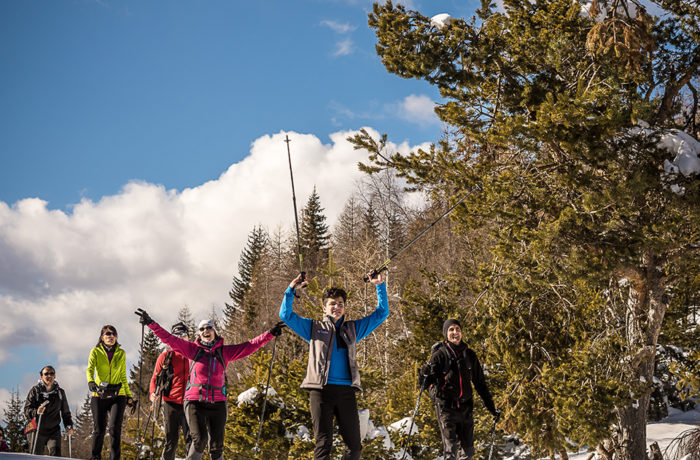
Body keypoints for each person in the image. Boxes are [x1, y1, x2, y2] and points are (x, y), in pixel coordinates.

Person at [134, 308, 285, 460]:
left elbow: (250, 346)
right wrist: (150, 323)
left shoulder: (224, 352)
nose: (206, 331)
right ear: (199, 334)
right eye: (202, 329)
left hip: (218, 403)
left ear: (214, 331)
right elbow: (168, 339)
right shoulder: (192, 350)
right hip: (194, 402)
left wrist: (270, 334)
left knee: (217, 446)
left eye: (209, 328)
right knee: (199, 440)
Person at [279, 271, 388, 460]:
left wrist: (379, 286)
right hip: (321, 392)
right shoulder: (313, 329)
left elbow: (381, 313)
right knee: (323, 444)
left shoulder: (353, 329)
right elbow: (286, 315)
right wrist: (291, 290)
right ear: (324, 308)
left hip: (346, 392)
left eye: (340, 304)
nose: (336, 307)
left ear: (344, 308)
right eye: (332, 304)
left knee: (354, 447)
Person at [420, 318, 499, 460]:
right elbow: (424, 384)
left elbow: (480, 383)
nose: (455, 332)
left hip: (466, 408)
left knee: (468, 452)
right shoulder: (439, 355)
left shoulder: (470, 355)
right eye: (451, 330)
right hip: (446, 409)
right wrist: (423, 374)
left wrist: (491, 408)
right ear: (446, 333)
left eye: (457, 329)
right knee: (451, 451)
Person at [86, 325, 134, 460]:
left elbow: (123, 375)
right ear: (102, 337)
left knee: (114, 429)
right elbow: (90, 369)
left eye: (113, 334)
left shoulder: (121, 353)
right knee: (99, 430)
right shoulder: (95, 352)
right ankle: (95, 457)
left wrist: (129, 395)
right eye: (107, 334)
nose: (111, 336)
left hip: (118, 394)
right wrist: (90, 382)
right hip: (99, 395)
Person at [149, 322, 192, 460]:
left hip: (190, 403)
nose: (180, 337)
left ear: (188, 337)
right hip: (170, 403)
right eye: (176, 335)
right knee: (171, 441)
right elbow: (155, 378)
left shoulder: (194, 355)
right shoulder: (165, 357)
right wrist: (152, 393)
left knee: (191, 441)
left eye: (183, 334)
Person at [23, 365, 73, 456]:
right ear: (41, 376)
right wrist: (36, 412)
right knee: (36, 456)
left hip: (53, 430)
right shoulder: (35, 391)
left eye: (51, 373)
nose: (49, 376)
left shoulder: (60, 392)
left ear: (55, 376)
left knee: (56, 455)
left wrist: (69, 425)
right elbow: (26, 410)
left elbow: (66, 412)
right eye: (46, 374)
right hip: (37, 430)